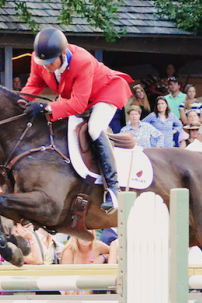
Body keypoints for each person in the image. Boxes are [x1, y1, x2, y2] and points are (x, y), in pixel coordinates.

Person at [20, 28, 132, 213]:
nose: (45, 66)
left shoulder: (82, 61)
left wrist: (46, 107)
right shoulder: (39, 59)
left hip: (105, 92)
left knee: (94, 129)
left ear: (63, 54)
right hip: (77, 96)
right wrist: (20, 104)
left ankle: (113, 188)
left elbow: (79, 104)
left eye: (49, 62)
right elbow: (34, 85)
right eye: (43, 62)